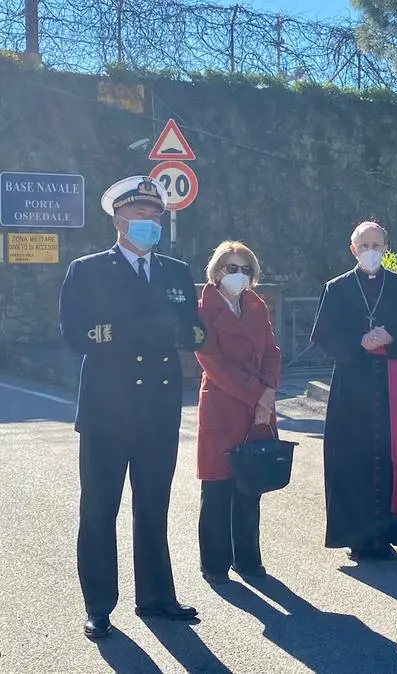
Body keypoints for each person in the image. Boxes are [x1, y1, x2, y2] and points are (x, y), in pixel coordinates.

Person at [59, 176, 207, 639]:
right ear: (118, 219)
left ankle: (157, 596)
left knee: (154, 505)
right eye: (140, 215)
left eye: (154, 216)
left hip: (158, 408)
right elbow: (74, 332)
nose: (148, 223)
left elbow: (198, 331)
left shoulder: (176, 271)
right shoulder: (88, 270)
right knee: (100, 508)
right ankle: (99, 605)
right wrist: (133, 331)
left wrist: (180, 332)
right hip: (107, 409)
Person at [310, 221, 397, 560]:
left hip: (392, 381)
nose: (371, 251)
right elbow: (323, 337)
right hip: (352, 387)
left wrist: (392, 337)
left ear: (385, 248)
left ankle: (391, 532)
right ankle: (358, 536)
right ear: (353, 249)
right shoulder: (336, 289)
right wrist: (359, 341)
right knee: (352, 459)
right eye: (364, 245)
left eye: (377, 244)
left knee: (396, 453)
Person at [195, 241, 281, 584]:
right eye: (232, 268)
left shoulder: (256, 306)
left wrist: (268, 394)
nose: (239, 275)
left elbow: (272, 352)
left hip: (257, 403)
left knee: (250, 481)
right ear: (217, 271)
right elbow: (211, 362)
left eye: (246, 269)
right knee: (217, 484)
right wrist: (259, 393)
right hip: (222, 403)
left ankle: (247, 558)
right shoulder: (202, 309)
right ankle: (215, 563)